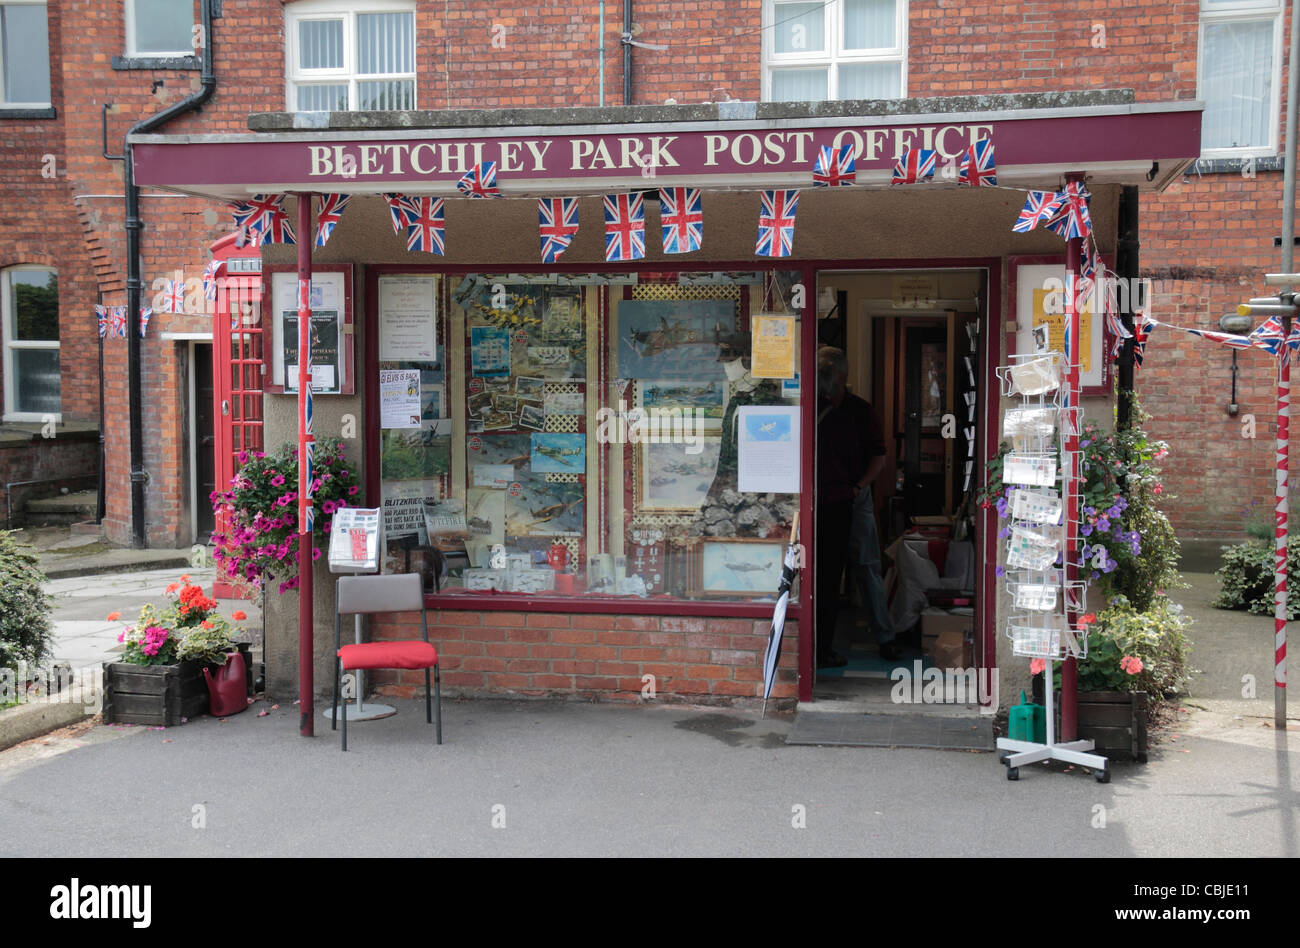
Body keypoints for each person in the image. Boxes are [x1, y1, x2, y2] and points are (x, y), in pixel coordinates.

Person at [816, 346, 899, 668]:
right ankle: (821, 644)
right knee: (825, 572)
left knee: (866, 565)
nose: (823, 381)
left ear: (841, 377)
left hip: (852, 494)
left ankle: (885, 637)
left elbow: (879, 456)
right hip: (824, 496)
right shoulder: (814, 406)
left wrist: (858, 487)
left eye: (826, 375)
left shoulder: (859, 411)